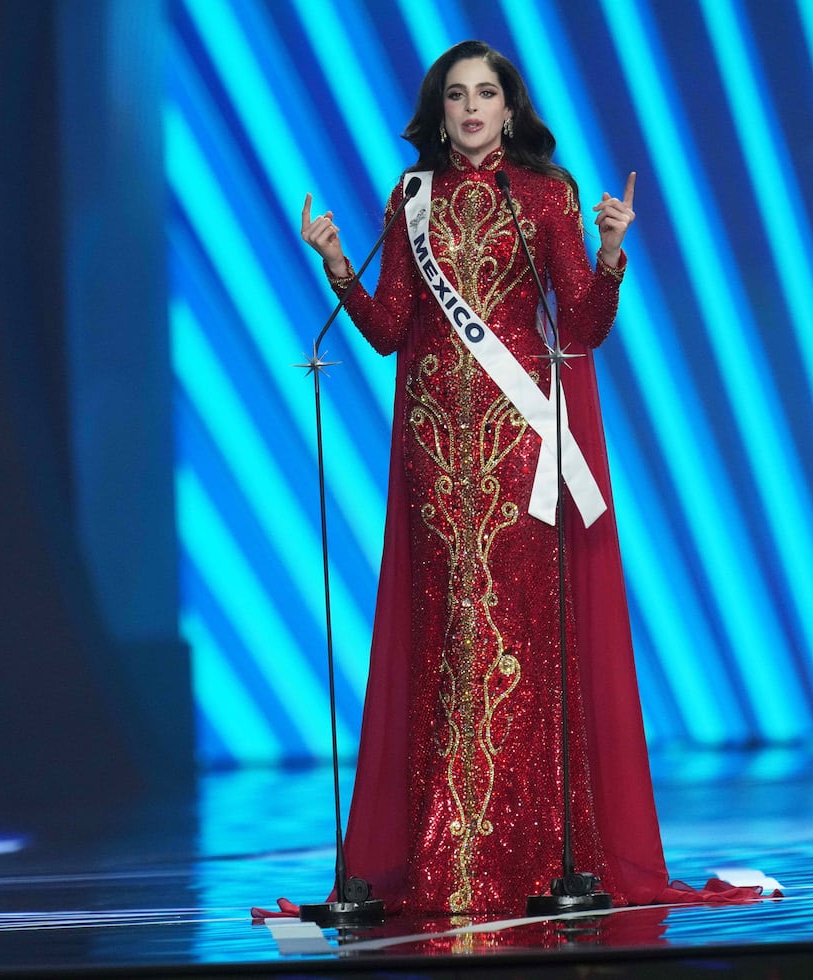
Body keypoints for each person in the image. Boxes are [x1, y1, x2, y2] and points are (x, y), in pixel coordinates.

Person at [297, 40, 762, 917]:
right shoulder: (411, 199)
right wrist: (338, 265)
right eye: (457, 95)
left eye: (487, 94)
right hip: (436, 455)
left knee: (518, 644)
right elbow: (391, 330)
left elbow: (581, 324)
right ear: (439, 114)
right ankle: (445, 856)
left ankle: (537, 855)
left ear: (510, 109)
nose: (472, 108)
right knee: (449, 639)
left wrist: (611, 252)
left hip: (520, 451)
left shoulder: (548, 195)